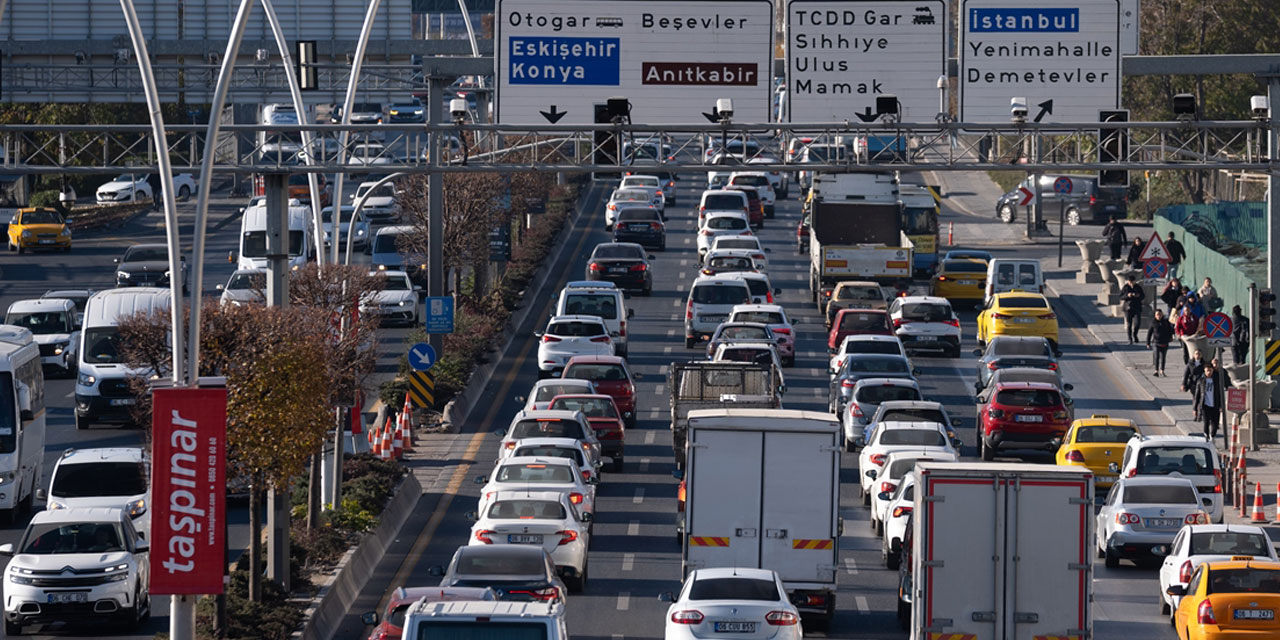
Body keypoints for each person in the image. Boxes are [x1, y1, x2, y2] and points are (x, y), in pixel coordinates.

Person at [1195, 362, 1225, 442]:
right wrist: (1195, 408)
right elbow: (1197, 395)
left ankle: (1213, 436)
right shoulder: (1201, 381)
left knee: (1215, 422)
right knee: (1206, 422)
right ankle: (1206, 436)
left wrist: (1221, 405)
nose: (1209, 372)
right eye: (1207, 371)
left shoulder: (1216, 380)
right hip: (1205, 405)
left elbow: (1220, 393)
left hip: (1215, 404)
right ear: (1204, 371)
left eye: (1210, 370)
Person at [1147, 308, 1174, 376]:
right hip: (1156, 342)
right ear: (1155, 315)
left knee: (1163, 357)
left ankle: (1162, 370)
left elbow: (1170, 330)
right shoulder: (1153, 322)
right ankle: (1156, 370)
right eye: (1157, 315)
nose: (1159, 316)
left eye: (1160, 314)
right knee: (1156, 356)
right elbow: (1149, 333)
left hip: (1164, 342)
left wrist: (1171, 337)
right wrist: (1148, 343)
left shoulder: (1166, 322)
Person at [1119, 273, 1146, 344]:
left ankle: (1135, 334)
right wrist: (1127, 295)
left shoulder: (1138, 287)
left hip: (1137, 307)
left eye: (1132, 281)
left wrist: (1138, 295)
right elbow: (1121, 296)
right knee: (1129, 324)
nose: (1131, 283)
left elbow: (1143, 296)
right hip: (1128, 308)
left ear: (1134, 281)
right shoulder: (1125, 287)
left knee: (1137, 323)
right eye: (1129, 281)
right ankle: (1130, 338)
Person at [1183, 349, 1206, 418]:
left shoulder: (1204, 364)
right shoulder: (1190, 364)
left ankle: (1200, 413)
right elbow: (1186, 374)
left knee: (1201, 398)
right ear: (1193, 355)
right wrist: (1183, 384)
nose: (1198, 355)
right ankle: (1195, 411)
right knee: (1195, 398)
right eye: (1196, 354)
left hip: (1202, 384)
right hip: (1193, 384)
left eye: (1199, 354)